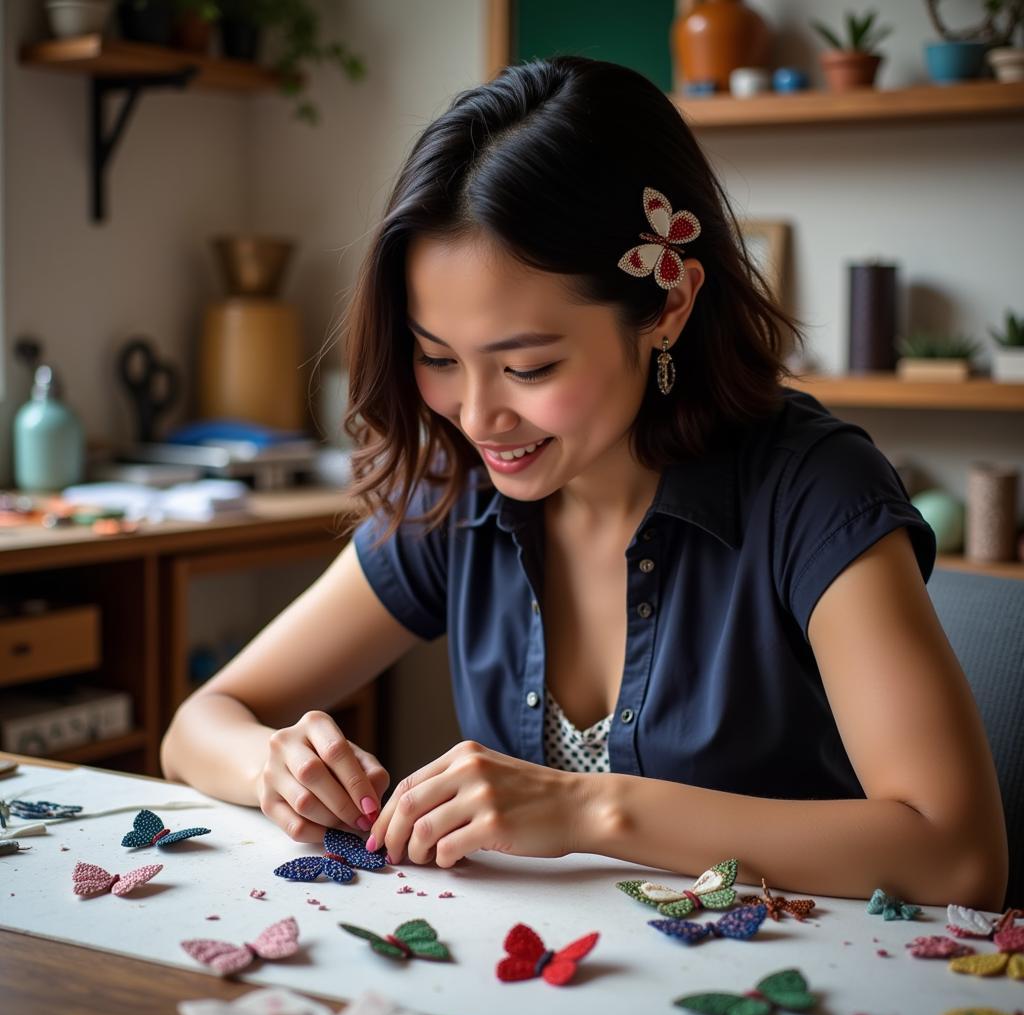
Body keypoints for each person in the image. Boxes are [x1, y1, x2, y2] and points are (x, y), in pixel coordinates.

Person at [161, 56, 1008, 909]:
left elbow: (959, 855)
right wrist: (277, 765)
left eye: (528, 366)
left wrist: (592, 809)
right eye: (438, 358)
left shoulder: (813, 491)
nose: (477, 415)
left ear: (666, 307)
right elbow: (199, 724)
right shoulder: (457, 490)